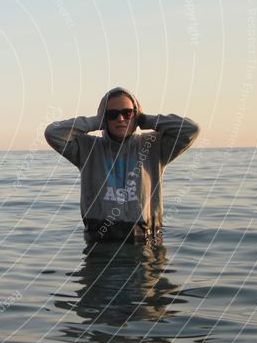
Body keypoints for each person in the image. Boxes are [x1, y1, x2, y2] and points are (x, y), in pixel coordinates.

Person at [44, 87, 199, 245]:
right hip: (100, 244)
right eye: (112, 114)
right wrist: (96, 122)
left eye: (128, 113)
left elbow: (190, 130)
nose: (120, 119)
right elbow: (53, 133)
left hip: (147, 243)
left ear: (136, 115)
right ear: (105, 118)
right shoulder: (87, 149)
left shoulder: (154, 146)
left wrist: (147, 120)